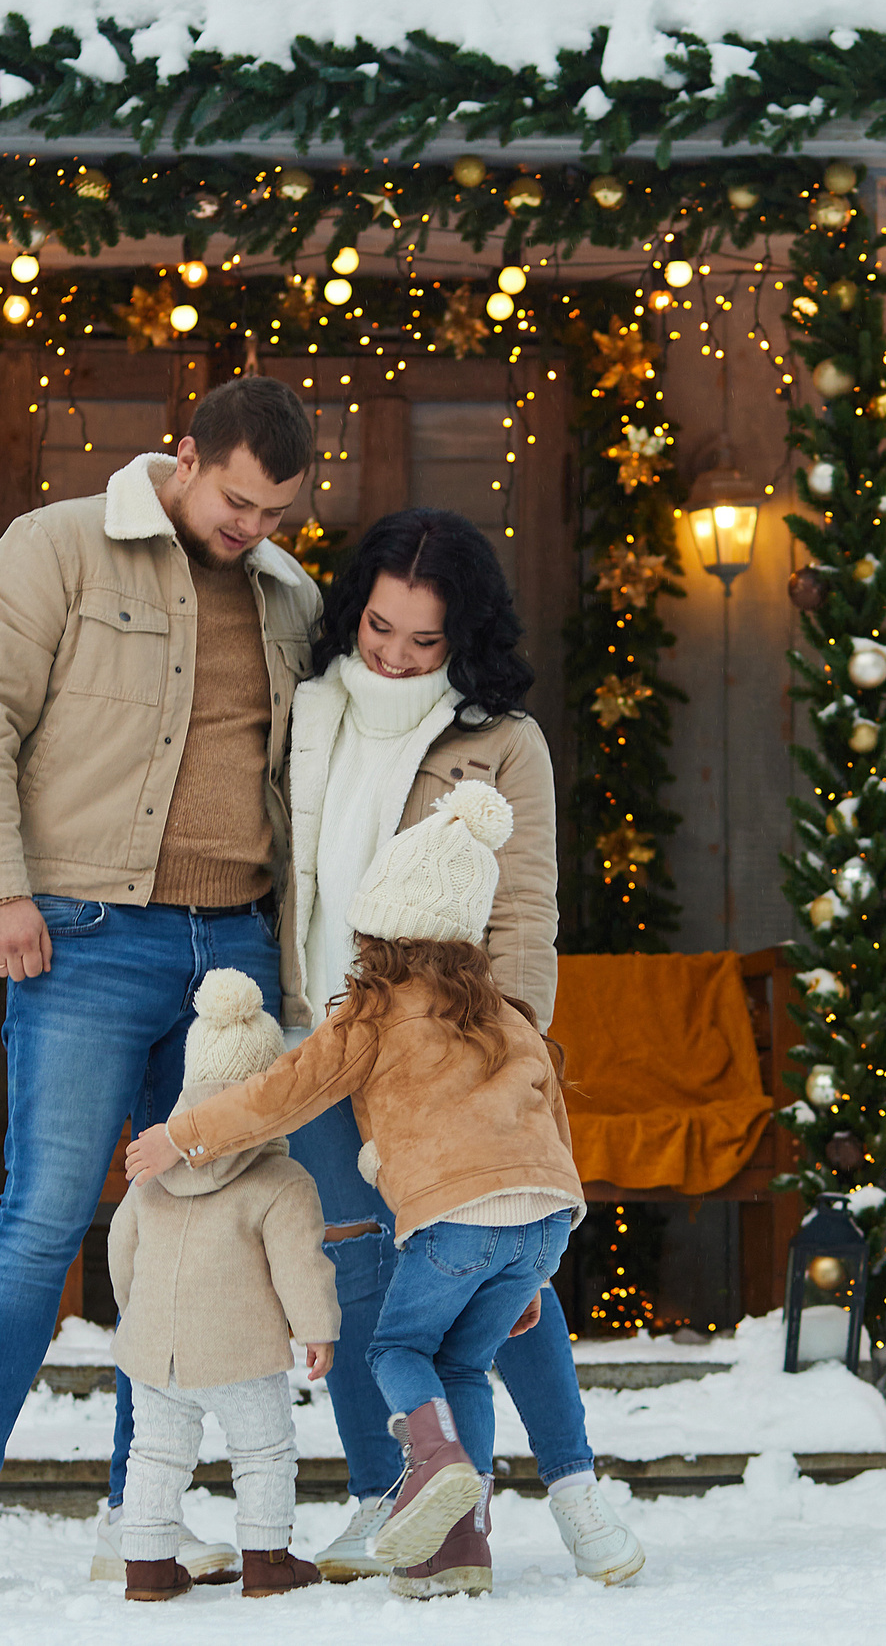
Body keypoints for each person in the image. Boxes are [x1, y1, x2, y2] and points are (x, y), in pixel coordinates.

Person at [0, 376, 322, 1599]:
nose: (252, 527)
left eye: (276, 511)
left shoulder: (292, 598)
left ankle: (138, 1518)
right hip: (84, 934)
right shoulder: (60, 546)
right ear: (183, 456)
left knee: (194, 1232)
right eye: (237, 500)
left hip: (234, 951)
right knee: (44, 1216)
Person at [279, 507, 645, 1587]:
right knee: (360, 1276)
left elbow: (525, 910)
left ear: (463, 639)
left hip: (451, 1052)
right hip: (327, 1031)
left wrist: (504, 1051)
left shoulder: (499, 740)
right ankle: (384, 1496)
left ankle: (574, 1487)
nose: (392, 654)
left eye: (422, 640)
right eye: (379, 628)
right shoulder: (306, 712)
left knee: (500, 1266)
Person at [127, 780, 583, 1598]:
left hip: (454, 1219)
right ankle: (460, 1550)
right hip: (544, 1218)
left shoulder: (371, 1011)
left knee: (399, 1350)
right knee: (465, 1368)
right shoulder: (507, 1014)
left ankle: (434, 1458)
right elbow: (549, 1112)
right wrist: (536, 1265)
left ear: (376, 923)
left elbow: (280, 1093)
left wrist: (181, 1135)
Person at [107, 970, 338, 1602]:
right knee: (264, 1452)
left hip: (159, 1352)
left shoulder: (149, 1176)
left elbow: (119, 1248)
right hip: (243, 1353)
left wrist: (137, 1312)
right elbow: (300, 1264)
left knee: (154, 1453)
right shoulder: (282, 1181)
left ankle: (147, 1568)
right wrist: (317, 1328)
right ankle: (267, 1561)